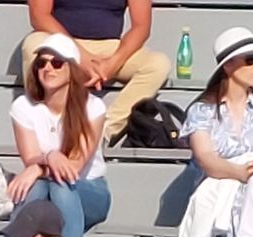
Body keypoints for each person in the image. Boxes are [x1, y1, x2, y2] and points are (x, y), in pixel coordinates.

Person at [181, 27, 253, 237]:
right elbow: (206, 158)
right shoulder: (201, 110)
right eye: (251, 59)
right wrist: (240, 172)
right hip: (220, 195)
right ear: (228, 66)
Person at [7, 34, 111, 237]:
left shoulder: (93, 107)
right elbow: (30, 157)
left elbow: (73, 168)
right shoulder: (23, 106)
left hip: (89, 189)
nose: (48, 69)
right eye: (41, 63)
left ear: (72, 69)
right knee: (34, 188)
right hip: (46, 190)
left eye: (56, 63)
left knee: (59, 186)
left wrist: (41, 165)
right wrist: (49, 158)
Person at [23, 0, 169, 145]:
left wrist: (110, 65)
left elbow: (141, 27)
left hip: (110, 47)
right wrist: (80, 56)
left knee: (158, 64)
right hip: (60, 41)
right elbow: (39, 16)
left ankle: (101, 132)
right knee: (33, 45)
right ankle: (47, 127)